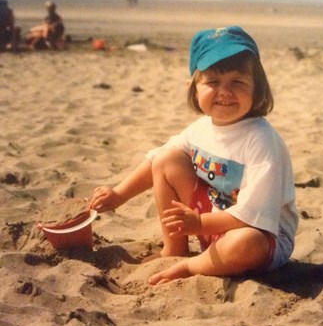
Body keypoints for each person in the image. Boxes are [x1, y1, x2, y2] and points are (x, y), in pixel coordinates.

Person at [90, 26, 299, 285]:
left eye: (238, 82)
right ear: (195, 89)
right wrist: (118, 195)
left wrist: (199, 223)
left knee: (248, 242)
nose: (225, 91)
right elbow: (157, 160)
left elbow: (253, 214)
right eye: (213, 81)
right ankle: (174, 248)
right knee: (168, 158)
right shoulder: (201, 128)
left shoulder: (262, 140)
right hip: (210, 222)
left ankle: (190, 265)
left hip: (262, 237)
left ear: (257, 87)